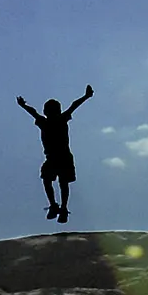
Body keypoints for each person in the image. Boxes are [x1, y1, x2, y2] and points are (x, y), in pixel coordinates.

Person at [18, 85, 92, 223]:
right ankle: (56, 206)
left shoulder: (55, 120)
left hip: (62, 157)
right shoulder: (47, 121)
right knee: (50, 180)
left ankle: (61, 208)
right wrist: (23, 106)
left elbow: (73, 106)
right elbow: (72, 106)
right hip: (54, 158)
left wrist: (86, 96)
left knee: (60, 182)